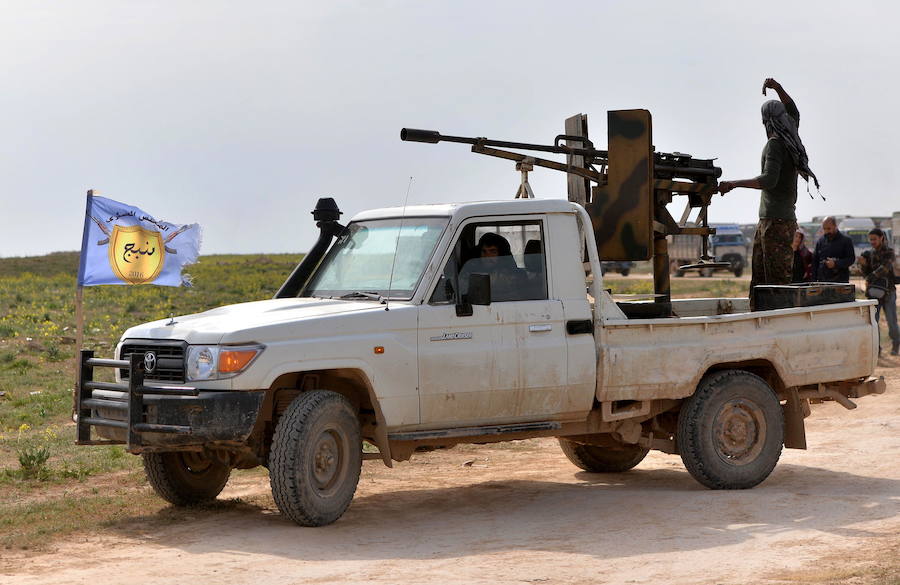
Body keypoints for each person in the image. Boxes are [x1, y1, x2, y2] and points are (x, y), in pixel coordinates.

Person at [717, 78, 820, 307]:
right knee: (764, 279)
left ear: (767, 121)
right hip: (774, 220)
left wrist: (733, 184)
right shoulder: (791, 137)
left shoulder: (776, 144)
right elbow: (794, 111)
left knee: (771, 283)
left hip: (775, 222)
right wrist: (777, 87)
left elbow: (768, 180)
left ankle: (772, 325)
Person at [859, 228, 899, 356]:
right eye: (870, 239)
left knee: (892, 322)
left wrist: (870, 277)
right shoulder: (868, 254)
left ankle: (896, 345)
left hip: (889, 292)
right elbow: (865, 273)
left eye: (874, 239)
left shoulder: (889, 252)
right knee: (874, 322)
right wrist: (863, 265)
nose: (872, 242)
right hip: (874, 294)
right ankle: (877, 348)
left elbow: (884, 269)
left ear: (881, 237)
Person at [812, 217, 855, 282]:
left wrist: (836, 263)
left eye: (829, 228)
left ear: (835, 226)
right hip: (822, 281)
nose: (826, 231)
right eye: (824, 229)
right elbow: (815, 261)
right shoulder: (820, 241)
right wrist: (814, 280)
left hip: (840, 281)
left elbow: (851, 259)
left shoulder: (846, 241)